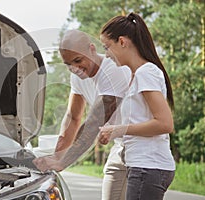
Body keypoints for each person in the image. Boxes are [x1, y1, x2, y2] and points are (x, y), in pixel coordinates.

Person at [33, 29, 130, 200]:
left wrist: (64, 160)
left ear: (92, 49)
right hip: (120, 145)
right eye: (68, 64)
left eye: (78, 60)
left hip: (142, 146)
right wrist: (57, 156)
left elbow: (94, 122)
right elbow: (73, 117)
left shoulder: (112, 70)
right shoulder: (77, 77)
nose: (74, 69)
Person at [98, 12, 175, 200]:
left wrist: (120, 129)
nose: (107, 55)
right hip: (144, 167)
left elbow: (165, 124)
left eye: (108, 47)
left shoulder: (145, 73)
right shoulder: (137, 75)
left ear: (122, 42)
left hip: (147, 168)